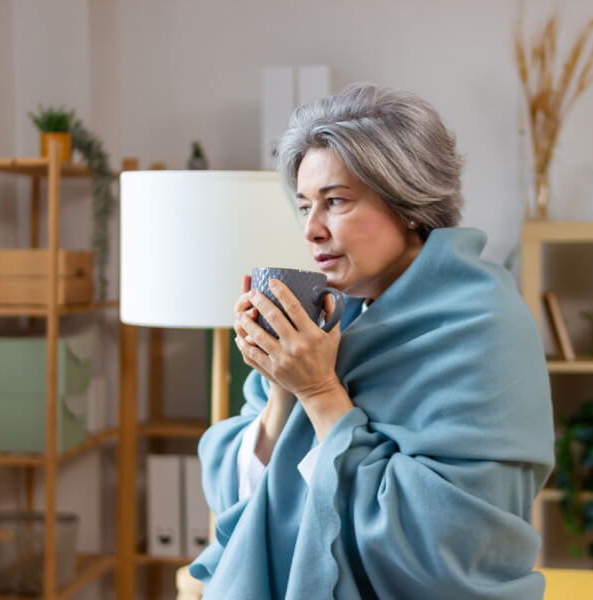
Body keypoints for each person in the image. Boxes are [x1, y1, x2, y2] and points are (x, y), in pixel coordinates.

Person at [189, 83, 554, 599]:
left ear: (406, 203)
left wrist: (319, 393)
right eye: (304, 206)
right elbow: (239, 499)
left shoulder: (482, 325)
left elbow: (448, 544)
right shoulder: (331, 312)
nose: (311, 229)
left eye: (335, 202)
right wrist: (281, 390)